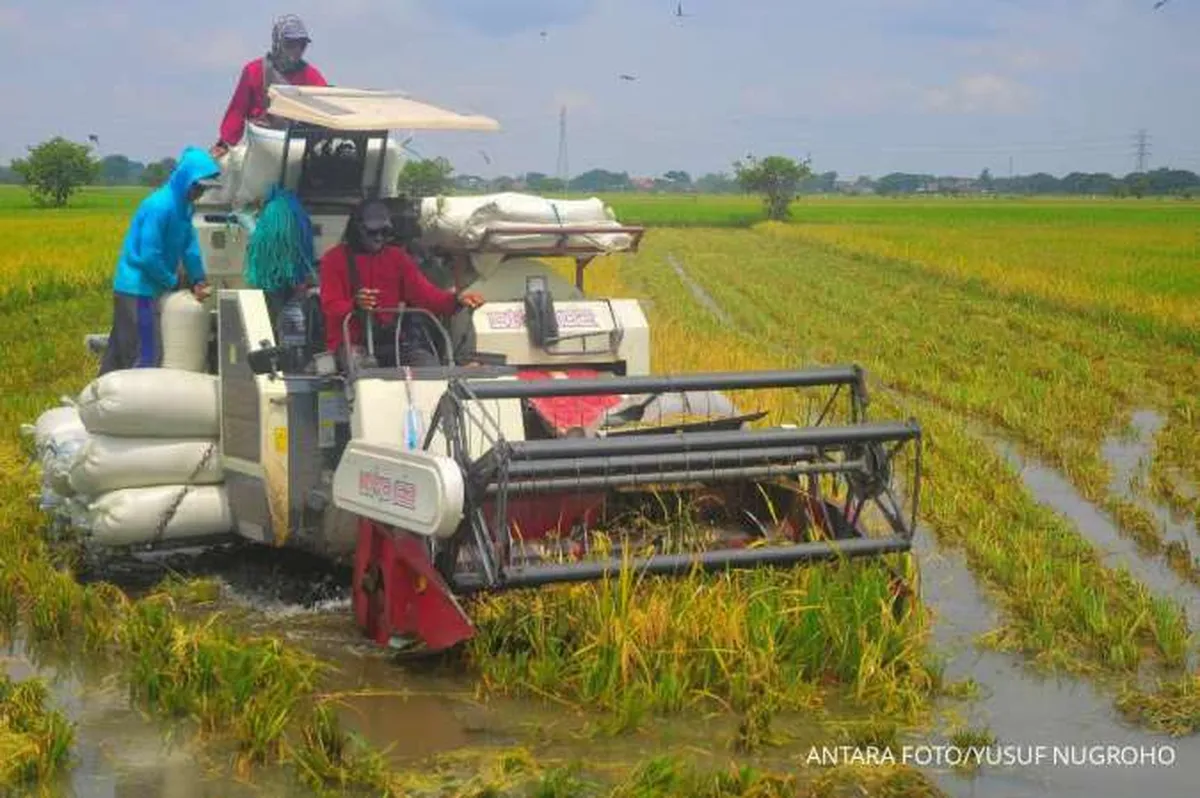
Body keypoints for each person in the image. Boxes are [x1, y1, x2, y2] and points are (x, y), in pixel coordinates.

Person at [99, 147, 221, 376]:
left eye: (204, 189)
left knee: (119, 353)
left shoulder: (185, 207)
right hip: (138, 289)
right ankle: (134, 407)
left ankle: (100, 404)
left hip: (148, 287)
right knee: (146, 355)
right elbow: (148, 255)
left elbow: (190, 246)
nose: (200, 194)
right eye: (198, 187)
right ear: (186, 179)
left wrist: (198, 278)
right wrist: (171, 280)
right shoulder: (159, 206)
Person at [319, 200, 485, 368]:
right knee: (360, 366)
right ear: (356, 230)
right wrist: (355, 304)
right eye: (372, 232)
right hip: (351, 343)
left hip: (394, 341)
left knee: (428, 366)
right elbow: (330, 306)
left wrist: (457, 300)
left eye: (384, 233)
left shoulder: (397, 257)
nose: (379, 237)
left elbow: (427, 296)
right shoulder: (333, 259)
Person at [211, 15, 327, 157]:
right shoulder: (253, 71)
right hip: (262, 145)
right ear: (277, 43)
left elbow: (326, 112)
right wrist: (224, 143)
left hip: (299, 148)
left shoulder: (313, 77)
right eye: (290, 44)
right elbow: (237, 110)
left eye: (302, 44)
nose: (297, 50)